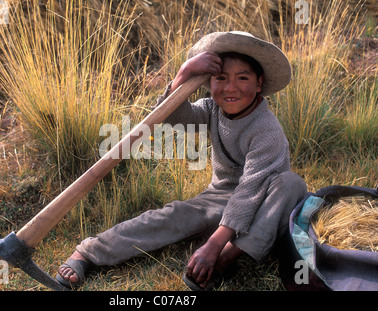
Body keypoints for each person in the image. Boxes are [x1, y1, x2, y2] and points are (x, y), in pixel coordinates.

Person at [56, 31, 307, 290]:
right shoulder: (212, 109)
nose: (230, 88)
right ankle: (88, 253)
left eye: (242, 78)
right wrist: (184, 74)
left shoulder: (267, 129)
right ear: (209, 83)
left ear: (258, 83)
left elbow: (249, 193)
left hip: (266, 201)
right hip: (221, 197)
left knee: (291, 184)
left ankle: (226, 258)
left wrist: (212, 246)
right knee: (173, 215)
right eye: (221, 78)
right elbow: (173, 116)